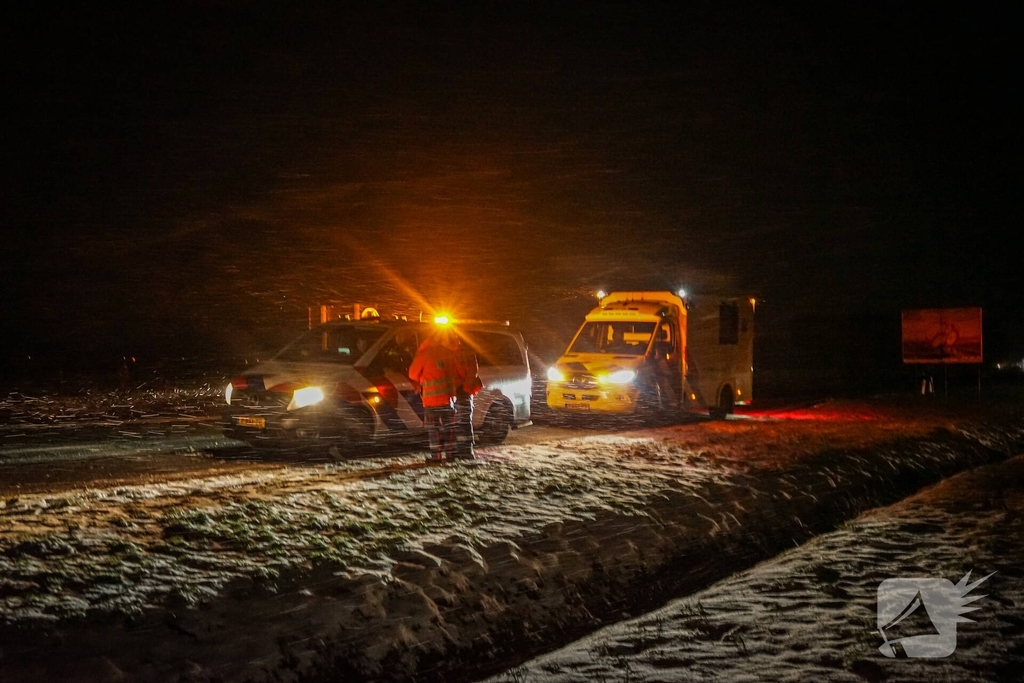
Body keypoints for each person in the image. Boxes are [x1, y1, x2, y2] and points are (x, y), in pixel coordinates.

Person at [408, 328, 461, 462]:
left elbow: (412, 374)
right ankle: (451, 455)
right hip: (448, 399)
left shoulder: (424, 354)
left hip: (431, 401)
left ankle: (436, 457)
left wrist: (422, 377)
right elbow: (456, 373)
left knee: (434, 430)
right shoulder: (449, 353)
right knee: (450, 429)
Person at [452, 334, 482, 459]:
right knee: (461, 422)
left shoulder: (462, 353)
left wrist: (464, 389)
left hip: (461, 392)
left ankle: (466, 451)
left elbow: (472, 372)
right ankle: (462, 449)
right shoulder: (463, 353)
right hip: (459, 391)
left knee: (463, 422)